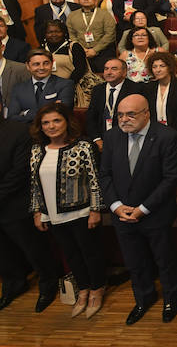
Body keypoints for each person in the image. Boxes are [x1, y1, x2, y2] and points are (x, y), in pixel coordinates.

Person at [99, 94, 177, 325]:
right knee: (134, 262)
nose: (124, 119)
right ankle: (143, 298)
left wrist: (143, 209)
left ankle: (170, 298)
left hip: (155, 213)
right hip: (122, 214)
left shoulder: (167, 136)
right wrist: (115, 206)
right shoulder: (112, 136)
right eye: (120, 115)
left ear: (147, 113)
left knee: (164, 260)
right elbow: (105, 175)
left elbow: (170, 178)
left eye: (131, 114)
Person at [29, 103, 106, 318]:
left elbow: (94, 180)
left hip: (81, 212)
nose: (51, 126)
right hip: (52, 215)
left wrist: (96, 209)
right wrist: (37, 212)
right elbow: (35, 184)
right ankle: (83, 289)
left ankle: (97, 289)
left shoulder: (83, 146)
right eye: (46, 122)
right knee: (70, 255)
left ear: (66, 122)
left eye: (56, 120)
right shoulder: (37, 149)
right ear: (40, 126)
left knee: (90, 253)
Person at [0, 103, 59, 313]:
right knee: (3, 252)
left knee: (34, 249)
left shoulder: (17, 132)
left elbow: (19, 172)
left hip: (15, 203)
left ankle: (48, 284)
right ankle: (13, 283)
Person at [7, 49, 75, 122]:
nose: (42, 68)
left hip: (55, 130)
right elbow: (12, 117)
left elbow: (62, 112)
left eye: (46, 63)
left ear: (52, 64)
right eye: (36, 64)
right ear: (27, 66)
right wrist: (51, 108)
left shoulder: (65, 84)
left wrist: (26, 113)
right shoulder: (18, 88)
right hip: (26, 131)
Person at [145, 51, 177, 148]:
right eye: (154, 67)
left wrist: (169, 134)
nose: (158, 70)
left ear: (170, 67)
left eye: (162, 66)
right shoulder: (149, 87)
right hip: (154, 136)